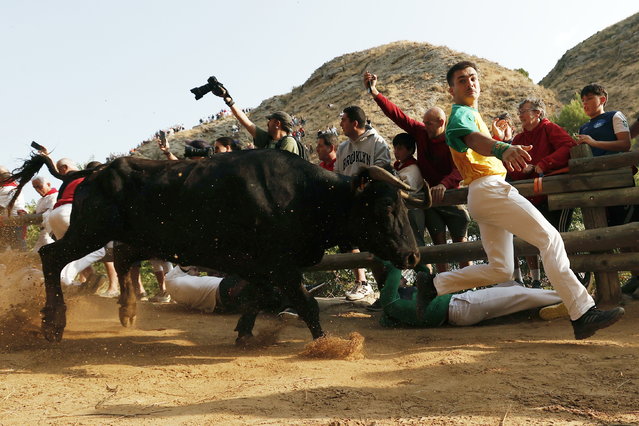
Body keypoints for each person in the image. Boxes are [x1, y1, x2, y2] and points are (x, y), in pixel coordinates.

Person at [418, 61, 624, 341]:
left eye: (473, 78)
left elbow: (477, 145)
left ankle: (434, 284)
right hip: (489, 190)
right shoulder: (460, 116)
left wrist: (499, 143)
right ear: (451, 88)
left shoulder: (468, 114)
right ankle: (583, 312)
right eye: (462, 80)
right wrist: (501, 147)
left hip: (481, 194)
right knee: (549, 239)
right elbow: (471, 138)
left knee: (500, 268)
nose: (470, 83)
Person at [364, 72, 470, 273]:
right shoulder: (422, 132)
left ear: (441, 123)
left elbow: (461, 169)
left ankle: (470, 287)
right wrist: (375, 93)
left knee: (462, 246)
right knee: (439, 247)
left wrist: (444, 184)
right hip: (431, 199)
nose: (424, 125)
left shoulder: (451, 139)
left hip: (452, 196)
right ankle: (443, 287)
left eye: (429, 123)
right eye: (424, 122)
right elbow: (398, 116)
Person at [507, 98, 577, 287]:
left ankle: (576, 280)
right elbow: (510, 166)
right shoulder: (519, 139)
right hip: (532, 199)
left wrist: (543, 164)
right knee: (542, 241)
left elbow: (570, 146)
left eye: (524, 110)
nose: (520, 114)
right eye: (519, 110)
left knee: (561, 238)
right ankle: (557, 285)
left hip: (557, 196)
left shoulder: (549, 128)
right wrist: (521, 169)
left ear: (537, 113)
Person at [378, 263, 563, 328]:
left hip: (461, 309)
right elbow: (390, 288)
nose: (402, 279)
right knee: (517, 292)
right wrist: (396, 260)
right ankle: (568, 297)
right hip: (461, 306)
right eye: (399, 278)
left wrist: (411, 259)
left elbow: (422, 271)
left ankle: (555, 305)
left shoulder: (401, 305)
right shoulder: (393, 304)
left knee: (512, 290)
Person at [335, 105, 391, 301]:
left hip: (371, 203)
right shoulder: (343, 148)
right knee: (349, 243)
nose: (340, 124)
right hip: (350, 204)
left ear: (355, 123)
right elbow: (338, 175)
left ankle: (387, 289)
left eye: (343, 120)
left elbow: (384, 167)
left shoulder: (377, 141)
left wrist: (366, 186)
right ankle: (362, 283)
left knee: (374, 246)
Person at [44, 157, 106, 290]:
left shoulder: (73, 179)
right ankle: (64, 280)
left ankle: (67, 285)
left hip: (55, 215)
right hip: (69, 213)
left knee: (69, 251)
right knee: (98, 250)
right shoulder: (94, 179)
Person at [209, 81, 299, 155]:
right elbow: (246, 123)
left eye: (270, 121)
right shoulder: (267, 140)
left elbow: (283, 167)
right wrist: (227, 99)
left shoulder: (289, 142)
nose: (267, 124)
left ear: (277, 123)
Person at [576, 84, 631, 157]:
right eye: (583, 100)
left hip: (617, 166)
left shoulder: (614, 116)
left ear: (602, 100)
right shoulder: (583, 128)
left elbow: (626, 144)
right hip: (592, 167)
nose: (585, 103)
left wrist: (594, 143)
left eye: (589, 99)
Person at [392, 133, 426, 246]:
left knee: (416, 244)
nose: (396, 152)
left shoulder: (412, 169)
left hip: (413, 211)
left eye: (400, 149)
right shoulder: (399, 166)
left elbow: (408, 191)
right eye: (395, 148)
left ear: (410, 150)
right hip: (404, 211)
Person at [0, 165, 27, 251]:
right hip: (10, 223)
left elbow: (1, 207)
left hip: (13, 224)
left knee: (17, 249)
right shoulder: (11, 187)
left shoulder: (9, 189)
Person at [31, 176, 58, 251]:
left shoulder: (54, 196)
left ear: (48, 184)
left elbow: (50, 212)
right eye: (35, 187)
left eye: (39, 186)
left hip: (51, 231)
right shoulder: (41, 200)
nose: (37, 189)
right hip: (43, 232)